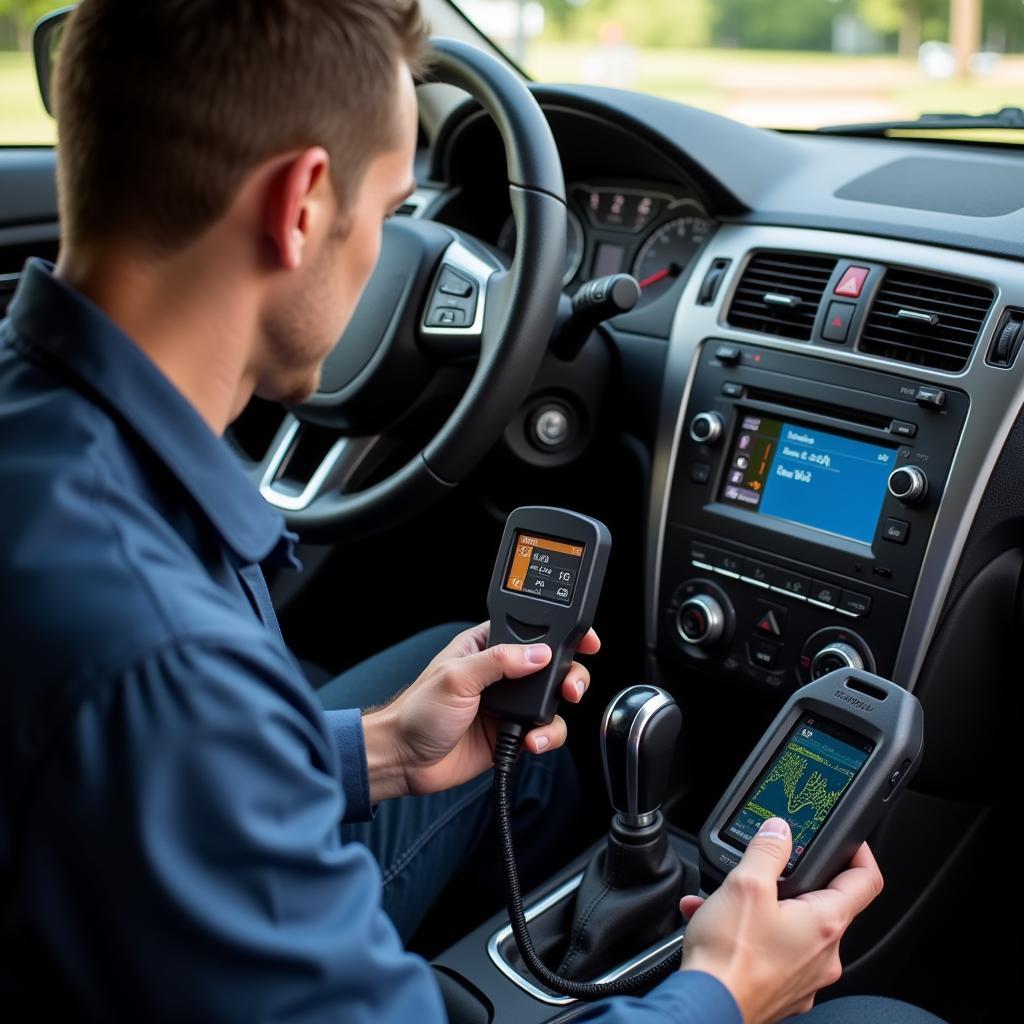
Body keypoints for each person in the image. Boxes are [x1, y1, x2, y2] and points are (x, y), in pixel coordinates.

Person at [0, 2, 946, 1022]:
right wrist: (722, 990)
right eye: (394, 209)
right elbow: (171, 732)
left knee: (510, 767)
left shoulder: (45, 442)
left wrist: (380, 748)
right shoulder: (165, 666)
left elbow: (164, 777)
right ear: (302, 204)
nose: (390, 252)